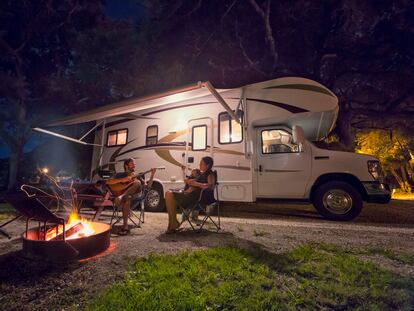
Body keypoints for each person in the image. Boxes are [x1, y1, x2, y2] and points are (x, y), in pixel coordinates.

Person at [165, 156, 215, 233]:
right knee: (169, 194)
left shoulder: (210, 174)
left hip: (195, 198)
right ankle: (172, 223)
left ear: (207, 165)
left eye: (201, 163)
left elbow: (210, 186)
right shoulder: (202, 174)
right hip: (189, 195)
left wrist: (195, 184)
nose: (199, 165)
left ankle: (172, 224)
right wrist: (190, 181)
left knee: (169, 195)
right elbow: (195, 182)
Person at [106, 158, 156, 235]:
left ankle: (122, 196)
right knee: (127, 198)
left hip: (134, 198)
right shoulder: (120, 175)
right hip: (125, 199)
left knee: (137, 182)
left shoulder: (137, 176)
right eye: (132, 164)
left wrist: (152, 175)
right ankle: (125, 227)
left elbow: (148, 187)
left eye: (134, 164)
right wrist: (122, 180)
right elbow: (108, 182)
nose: (134, 165)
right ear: (126, 166)